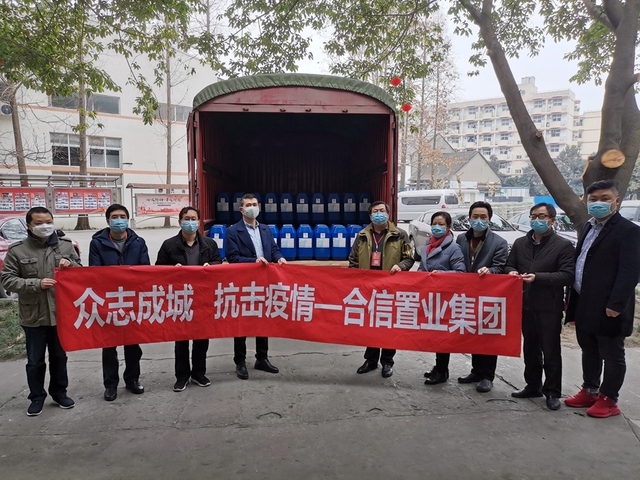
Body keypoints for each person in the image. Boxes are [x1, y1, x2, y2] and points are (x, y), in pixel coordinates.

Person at [564, 180, 640, 418]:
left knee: (612, 352)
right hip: (584, 301)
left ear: (616, 201)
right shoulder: (588, 226)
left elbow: (630, 272)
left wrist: (616, 305)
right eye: (593, 199)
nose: (598, 203)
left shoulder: (629, 231)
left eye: (605, 199)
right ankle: (590, 389)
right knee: (589, 348)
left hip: (609, 306)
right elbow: (582, 262)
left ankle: (609, 399)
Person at [1, 207, 81, 416]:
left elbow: (80, 272)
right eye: (39, 223)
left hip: (60, 314)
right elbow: (7, 279)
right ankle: (37, 397)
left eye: (48, 222)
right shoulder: (18, 250)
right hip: (33, 315)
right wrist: (36, 284)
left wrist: (70, 264)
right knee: (35, 361)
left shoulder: (65, 246)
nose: (45, 226)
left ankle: (59, 393)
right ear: (29, 226)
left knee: (59, 357)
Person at [505, 203, 575, 410]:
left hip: (549, 306)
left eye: (542, 216)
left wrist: (538, 278)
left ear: (552, 220)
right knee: (530, 348)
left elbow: (567, 275)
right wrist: (511, 272)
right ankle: (532, 385)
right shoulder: (520, 243)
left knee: (550, 350)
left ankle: (552, 391)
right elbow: (509, 264)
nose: (537, 220)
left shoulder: (563, 245)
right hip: (525, 304)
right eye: (533, 216)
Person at [156, 206, 222, 392]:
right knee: (181, 339)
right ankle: (182, 376)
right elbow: (158, 269)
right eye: (187, 219)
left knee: (202, 338)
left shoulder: (209, 244)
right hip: (180, 298)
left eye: (193, 219)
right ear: (180, 222)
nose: (190, 222)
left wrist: (211, 266)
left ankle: (199, 373)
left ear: (199, 222)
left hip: (203, 297)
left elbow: (218, 262)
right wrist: (172, 270)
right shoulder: (169, 245)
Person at [89, 204, 150, 401]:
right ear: (108, 221)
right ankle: (110, 385)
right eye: (114, 217)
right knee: (109, 345)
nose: (119, 220)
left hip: (132, 300)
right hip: (109, 300)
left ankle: (132, 379)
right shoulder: (97, 243)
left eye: (122, 216)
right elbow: (95, 272)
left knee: (133, 344)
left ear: (127, 219)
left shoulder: (138, 242)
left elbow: (145, 270)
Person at [349, 200, 414, 378]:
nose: (379, 214)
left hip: (390, 288)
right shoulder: (362, 235)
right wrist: (355, 280)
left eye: (382, 211)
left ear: (388, 214)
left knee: (388, 325)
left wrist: (401, 266)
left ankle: (387, 362)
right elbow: (353, 260)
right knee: (370, 325)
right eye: (375, 211)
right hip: (368, 287)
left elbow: (409, 258)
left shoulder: (400, 235)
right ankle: (370, 360)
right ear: (370, 216)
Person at [226, 193, 287, 380]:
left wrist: (279, 258)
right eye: (248, 205)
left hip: (264, 282)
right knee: (242, 323)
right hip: (244, 283)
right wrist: (253, 261)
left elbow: (273, 249)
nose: (252, 207)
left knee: (263, 320)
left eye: (254, 204)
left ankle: (262, 358)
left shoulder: (266, 229)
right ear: (241, 209)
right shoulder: (233, 231)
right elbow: (232, 258)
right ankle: (240, 361)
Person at [455, 201, 508, 393]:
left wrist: (490, 271)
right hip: (467, 294)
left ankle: (487, 376)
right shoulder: (461, 238)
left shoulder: (499, 242)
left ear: (489, 219)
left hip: (488, 295)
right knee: (473, 333)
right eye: (475, 217)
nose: (479, 220)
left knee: (488, 335)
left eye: (483, 217)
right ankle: (476, 371)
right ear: (469, 219)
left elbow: (500, 267)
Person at [418, 211, 467, 385]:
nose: (437, 227)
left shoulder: (453, 248)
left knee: (442, 335)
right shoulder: (428, 245)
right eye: (434, 224)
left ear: (448, 227)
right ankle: (439, 367)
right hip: (430, 297)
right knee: (434, 334)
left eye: (441, 224)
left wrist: (440, 274)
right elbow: (422, 268)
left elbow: (461, 272)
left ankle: (441, 371)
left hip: (445, 298)